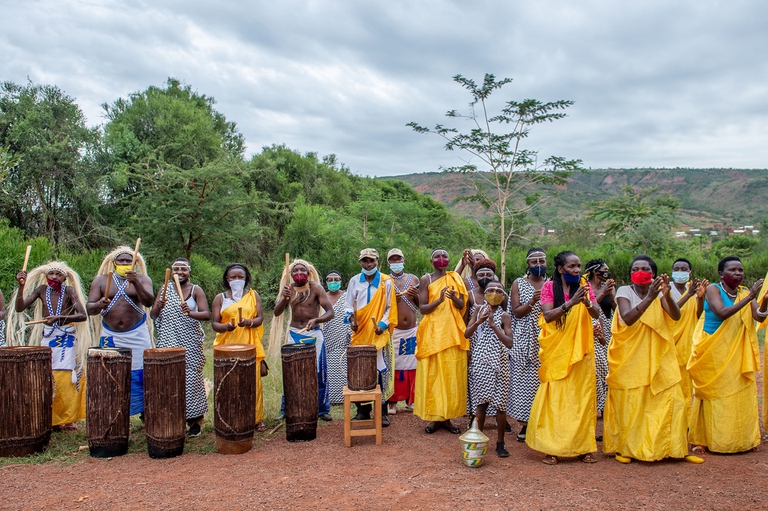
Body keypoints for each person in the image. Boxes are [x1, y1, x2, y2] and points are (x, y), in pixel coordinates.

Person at [604, 255, 702, 464]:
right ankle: (626, 448)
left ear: (654, 274)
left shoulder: (660, 294)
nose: (640, 272)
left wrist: (666, 297)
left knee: (673, 400)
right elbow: (628, 318)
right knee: (634, 404)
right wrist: (650, 297)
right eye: (636, 268)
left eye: (645, 269)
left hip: (659, 354)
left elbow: (675, 316)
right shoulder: (624, 291)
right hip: (632, 357)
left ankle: (675, 448)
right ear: (630, 273)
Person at [526, 251, 600, 465]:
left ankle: (583, 447)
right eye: (572, 267)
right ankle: (553, 448)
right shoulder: (549, 287)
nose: (577, 270)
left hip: (582, 352)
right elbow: (548, 316)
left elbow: (595, 313)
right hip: (557, 352)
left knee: (582, 399)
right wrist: (571, 303)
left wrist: (585, 301)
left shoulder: (584, 285)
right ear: (560, 269)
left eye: (578, 266)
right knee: (557, 400)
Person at [687, 256, 766, 455]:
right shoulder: (714, 289)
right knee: (714, 395)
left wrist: (764, 301)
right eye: (733, 270)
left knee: (738, 394)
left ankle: (741, 439)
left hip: (736, 351)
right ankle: (704, 439)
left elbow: (758, 316)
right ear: (721, 274)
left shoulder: (745, 292)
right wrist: (750, 298)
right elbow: (721, 312)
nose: (738, 274)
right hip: (714, 349)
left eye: (740, 270)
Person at [10, 262, 90, 429]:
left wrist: (60, 318)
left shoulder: (69, 291)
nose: (54, 277)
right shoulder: (41, 290)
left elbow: (82, 315)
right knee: (49, 374)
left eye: (58, 274)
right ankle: (52, 419)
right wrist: (21, 287)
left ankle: (68, 419)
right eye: (51, 273)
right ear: (46, 276)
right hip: (48, 336)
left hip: (66, 337)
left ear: (64, 278)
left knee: (66, 376)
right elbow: (20, 308)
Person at [87, 247, 154, 417]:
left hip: (137, 334)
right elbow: (90, 308)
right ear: (114, 263)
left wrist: (136, 282)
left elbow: (148, 301)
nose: (124, 263)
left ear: (135, 263)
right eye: (121, 261)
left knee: (140, 372)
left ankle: (143, 411)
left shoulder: (143, 279)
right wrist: (99, 305)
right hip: (111, 335)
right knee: (111, 371)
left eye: (128, 261)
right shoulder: (101, 281)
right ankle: (114, 410)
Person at [151, 258, 211, 437]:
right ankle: (172, 419)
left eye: (183, 269)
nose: (179, 272)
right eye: (176, 268)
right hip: (168, 340)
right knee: (168, 380)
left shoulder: (195, 290)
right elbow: (154, 315)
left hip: (190, 343)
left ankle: (194, 421)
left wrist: (190, 312)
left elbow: (206, 314)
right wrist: (158, 306)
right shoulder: (164, 289)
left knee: (191, 379)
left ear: (189, 272)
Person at [415, 248, 467, 434]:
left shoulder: (454, 278)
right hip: (432, 334)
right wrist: (438, 300)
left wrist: (453, 298)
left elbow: (462, 306)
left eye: (445, 255)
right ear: (431, 261)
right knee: (433, 375)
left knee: (450, 375)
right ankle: (434, 418)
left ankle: (447, 417)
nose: (441, 258)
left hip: (452, 333)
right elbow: (423, 309)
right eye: (437, 256)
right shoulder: (426, 279)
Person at [274, 259, 334, 421]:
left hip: (314, 334)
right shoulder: (288, 289)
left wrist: (317, 320)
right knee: (291, 371)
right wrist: (284, 299)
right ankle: (286, 409)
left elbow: (330, 312)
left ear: (309, 273)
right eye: (296, 271)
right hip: (294, 334)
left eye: (302, 271)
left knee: (319, 372)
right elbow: (277, 312)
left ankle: (322, 410)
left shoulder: (316, 288)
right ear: (291, 274)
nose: (299, 274)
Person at [344, 249, 397, 426]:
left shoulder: (386, 282)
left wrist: (382, 325)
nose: (368, 264)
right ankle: (363, 411)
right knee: (360, 369)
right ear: (360, 262)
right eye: (365, 261)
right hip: (359, 333)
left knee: (380, 368)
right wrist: (352, 320)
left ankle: (382, 411)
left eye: (371, 261)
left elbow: (390, 308)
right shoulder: (354, 281)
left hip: (378, 332)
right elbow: (348, 307)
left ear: (377, 261)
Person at [212, 263, 267, 431]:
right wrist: (226, 327)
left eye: (240, 277)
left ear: (246, 279)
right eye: (233, 277)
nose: (237, 280)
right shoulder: (220, 298)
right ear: (227, 279)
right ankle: (231, 417)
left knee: (253, 382)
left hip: (249, 344)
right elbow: (214, 323)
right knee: (229, 382)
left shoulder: (253, 295)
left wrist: (249, 322)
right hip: (227, 345)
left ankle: (256, 419)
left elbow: (260, 318)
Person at [464, 279, 513, 457]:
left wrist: (494, 325)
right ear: (484, 294)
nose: (495, 293)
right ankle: (477, 439)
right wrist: (479, 321)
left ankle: (500, 443)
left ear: (503, 296)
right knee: (482, 403)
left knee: (501, 405)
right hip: (481, 361)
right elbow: (467, 334)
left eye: (499, 291)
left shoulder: (505, 316)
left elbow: (509, 343)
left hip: (501, 362)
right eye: (491, 290)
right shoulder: (477, 310)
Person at [507, 248, 547, 442]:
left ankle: (544, 422)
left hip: (547, 337)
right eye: (534, 262)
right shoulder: (519, 283)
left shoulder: (552, 283)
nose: (538, 265)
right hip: (524, 338)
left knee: (545, 381)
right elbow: (516, 312)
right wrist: (532, 301)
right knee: (524, 382)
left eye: (542, 261)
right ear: (528, 265)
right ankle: (525, 424)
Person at [669, 258, 707, 426]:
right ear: (671, 271)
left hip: (687, 343)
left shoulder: (694, 289)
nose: (680, 271)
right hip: (669, 342)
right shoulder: (666, 290)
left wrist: (699, 298)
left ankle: (686, 424)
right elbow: (669, 312)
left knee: (687, 388)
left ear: (690, 272)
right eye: (677, 268)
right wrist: (689, 295)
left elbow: (698, 316)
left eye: (684, 268)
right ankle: (671, 422)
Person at [386, 248, 420, 414]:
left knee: (413, 366)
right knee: (395, 366)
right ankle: (392, 402)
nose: (396, 262)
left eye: (398, 259)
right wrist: (393, 299)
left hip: (412, 331)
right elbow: (381, 307)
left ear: (404, 261)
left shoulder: (413, 279)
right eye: (392, 260)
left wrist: (416, 295)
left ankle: (411, 400)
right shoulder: (385, 281)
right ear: (388, 263)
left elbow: (422, 306)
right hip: (394, 331)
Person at [584, 258, 616, 417]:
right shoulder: (585, 287)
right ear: (595, 271)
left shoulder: (608, 286)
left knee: (607, 365)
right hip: (591, 326)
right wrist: (603, 293)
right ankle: (595, 402)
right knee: (596, 366)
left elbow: (616, 308)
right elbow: (591, 306)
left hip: (608, 327)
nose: (606, 272)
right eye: (604, 269)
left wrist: (610, 294)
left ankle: (604, 404)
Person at [322, 270, 350, 404]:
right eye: (330, 280)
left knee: (342, 367)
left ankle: (342, 397)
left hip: (343, 340)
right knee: (327, 370)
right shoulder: (321, 297)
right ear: (326, 282)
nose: (333, 282)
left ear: (341, 281)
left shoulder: (347, 296)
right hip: (326, 339)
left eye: (336, 279)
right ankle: (328, 398)